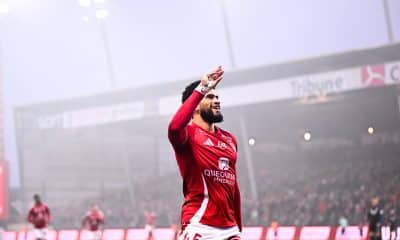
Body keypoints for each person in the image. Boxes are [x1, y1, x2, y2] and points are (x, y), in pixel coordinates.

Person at [168, 66, 242, 240]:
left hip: (230, 229)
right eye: (210, 97)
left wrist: (239, 227)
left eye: (217, 96)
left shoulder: (230, 139)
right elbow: (174, 127)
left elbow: (233, 187)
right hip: (199, 225)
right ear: (194, 106)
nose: (216, 100)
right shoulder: (187, 135)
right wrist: (201, 88)